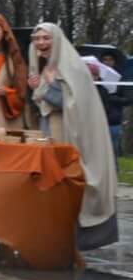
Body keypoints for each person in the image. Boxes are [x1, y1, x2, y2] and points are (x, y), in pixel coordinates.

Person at [28, 23, 119, 251]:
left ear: (56, 40)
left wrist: (43, 88)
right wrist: (39, 88)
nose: (41, 43)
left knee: (68, 183)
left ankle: (70, 239)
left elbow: (67, 103)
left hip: (70, 134)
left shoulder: (74, 68)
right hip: (52, 129)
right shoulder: (46, 66)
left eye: (46, 38)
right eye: (37, 38)